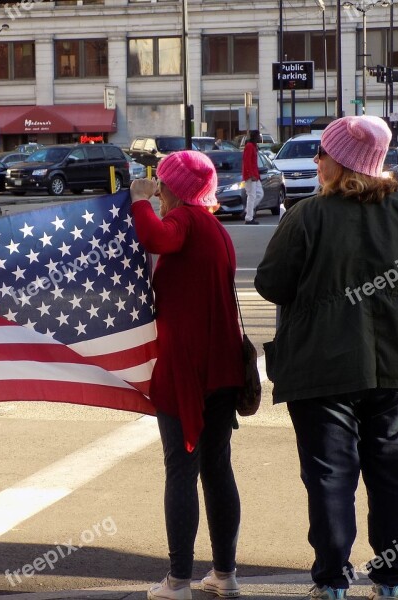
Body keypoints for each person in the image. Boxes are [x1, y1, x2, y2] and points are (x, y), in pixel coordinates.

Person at [254, 116, 398, 600]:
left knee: (329, 476)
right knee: (394, 473)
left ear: (336, 161)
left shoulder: (306, 216)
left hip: (322, 365)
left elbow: (270, 284)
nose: (317, 162)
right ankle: (390, 582)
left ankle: (332, 580)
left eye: (321, 153)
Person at [129, 151, 245, 600]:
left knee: (180, 470)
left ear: (176, 188)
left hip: (187, 368)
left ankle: (177, 580)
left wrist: (137, 200)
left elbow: (154, 237)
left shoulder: (187, 222)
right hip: (223, 367)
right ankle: (225, 573)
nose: (158, 191)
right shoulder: (216, 228)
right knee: (218, 469)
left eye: (161, 185)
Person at [242, 130, 264, 225]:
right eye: (259, 135)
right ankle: (249, 217)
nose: (260, 137)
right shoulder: (249, 146)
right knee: (252, 195)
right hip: (251, 176)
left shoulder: (254, 146)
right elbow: (247, 161)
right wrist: (250, 174)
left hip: (255, 175)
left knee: (259, 194)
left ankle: (248, 211)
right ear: (255, 136)